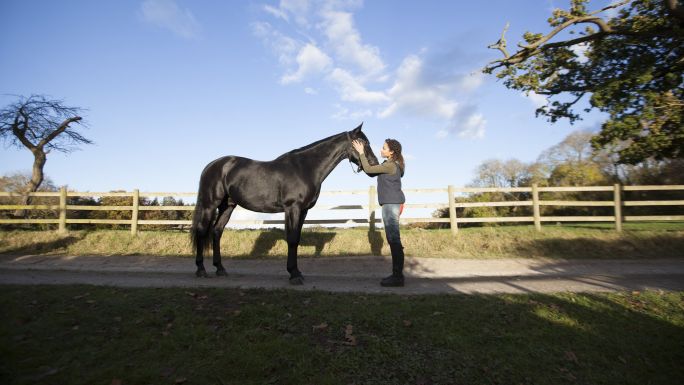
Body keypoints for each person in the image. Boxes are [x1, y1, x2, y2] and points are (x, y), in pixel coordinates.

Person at [352, 138, 406, 287]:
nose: (381, 150)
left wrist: (361, 153)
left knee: (394, 239)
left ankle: (397, 277)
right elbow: (371, 172)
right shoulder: (394, 165)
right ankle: (397, 275)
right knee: (394, 239)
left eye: (384, 148)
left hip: (391, 204)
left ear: (391, 152)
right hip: (393, 203)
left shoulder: (389, 165)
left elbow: (369, 169)